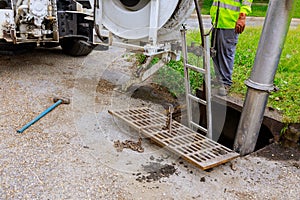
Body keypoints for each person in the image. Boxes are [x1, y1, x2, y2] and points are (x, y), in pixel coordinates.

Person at [210, 0, 252, 96]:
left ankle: (225, 83)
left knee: (226, 53)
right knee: (215, 53)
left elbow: (247, 1)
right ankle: (219, 78)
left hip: (230, 22)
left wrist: (242, 17)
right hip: (218, 21)